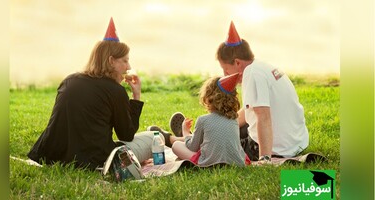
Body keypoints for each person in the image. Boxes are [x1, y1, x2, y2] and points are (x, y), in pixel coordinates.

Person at [27, 18, 168, 170]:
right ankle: (168, 137)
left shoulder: (69, 80)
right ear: (111, 61)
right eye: (125, 61)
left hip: (52, 156)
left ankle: (171, 137)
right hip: (96, 160)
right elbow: (126, 135)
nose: (129, 66)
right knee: (155, 138)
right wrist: (136, 96)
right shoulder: (116, 91)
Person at [215, 21, 309, 162]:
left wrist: (264, 158)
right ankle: (195, 135)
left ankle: (180, 140)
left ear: (237, 62)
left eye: (226, 69)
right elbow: (250, 112)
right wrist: (221, 122)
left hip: (278, 149)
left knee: (217, 145)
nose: (225, 74)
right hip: (296, 143)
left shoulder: (252, 75)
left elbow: (263, 117)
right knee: (227, 128)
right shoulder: (261, 67)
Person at [171, 74, 247, 167]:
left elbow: (193, 148)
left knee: (176, 145)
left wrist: (185, 132)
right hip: (236, 163)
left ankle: (188, 136)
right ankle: (193, 136)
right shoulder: (234, 119)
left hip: (209, 164)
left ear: (208, 97)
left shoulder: (203, 120)